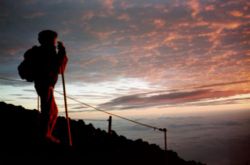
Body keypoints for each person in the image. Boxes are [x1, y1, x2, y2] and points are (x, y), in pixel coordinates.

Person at [24, 30, 68, 143]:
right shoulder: (47, 51)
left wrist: (60, 53)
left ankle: (45, 134)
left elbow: (58, 68)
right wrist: (62, 51)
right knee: (49, 111)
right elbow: (59, 68)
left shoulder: (40, 51)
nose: (54, 43)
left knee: (52, 110)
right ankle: (45, 136)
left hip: (42, 84)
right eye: (54, 41)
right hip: (46, 84)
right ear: (48, 40)